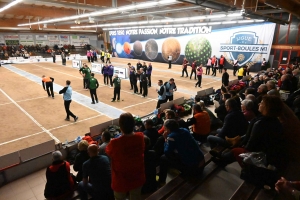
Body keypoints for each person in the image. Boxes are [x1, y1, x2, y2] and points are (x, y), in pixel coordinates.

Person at [106, 113, 145, 200]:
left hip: (121, 179)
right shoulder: (140, 137)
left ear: (120, 127)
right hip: (137, 175)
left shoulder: (115, 143)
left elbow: (108, 151)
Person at [158, 119, 205, 185]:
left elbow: (166, 151)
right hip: (201, 160)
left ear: (168, 129)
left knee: (163, 158)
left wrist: (165, 138)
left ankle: (161, 181)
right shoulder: (185, 130)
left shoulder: (171, 137)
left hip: (193, 168)